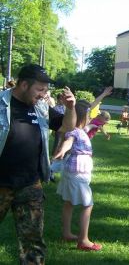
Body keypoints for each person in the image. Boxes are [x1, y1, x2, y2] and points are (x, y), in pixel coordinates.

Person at [0, 64, 76, 264]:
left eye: (46, 90)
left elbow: (67, 126)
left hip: (30, 183)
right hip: (1, 181)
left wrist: (70, 108)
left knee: (33, 244)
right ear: (24, 85)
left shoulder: (41, 107)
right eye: (40, 89)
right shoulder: (1, 103)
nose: (44, 95)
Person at [54, 100, 102, 251]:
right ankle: (84, 240)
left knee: (69, 202)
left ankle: (67, 233)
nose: (90, 118)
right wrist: (62, 149)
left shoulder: (80, 130)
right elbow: (69, 141)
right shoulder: (75, 132)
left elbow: (84, 129)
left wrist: (92, 126)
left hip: (71, 172)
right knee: (88, 204)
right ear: (82, 117)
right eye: (88, 116)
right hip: (77, 173)